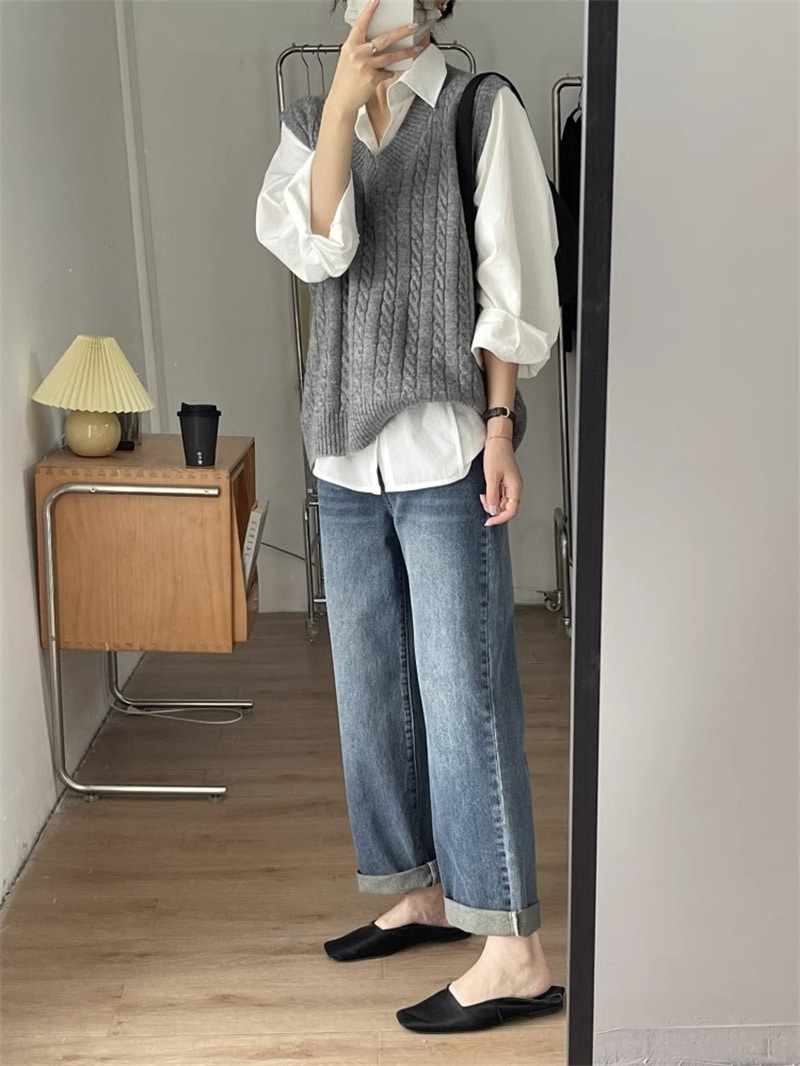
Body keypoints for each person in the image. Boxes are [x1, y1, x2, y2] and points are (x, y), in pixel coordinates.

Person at [255, 0, 564, 1035]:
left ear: (433, 4)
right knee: (373, 690)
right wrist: (340, 114)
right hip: (345, 454)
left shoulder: (480, 109)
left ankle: (513, 951)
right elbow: (317, 253)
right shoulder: (308, 123)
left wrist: (500, 429)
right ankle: (424, 890)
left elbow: (514, 288)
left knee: (463, 693)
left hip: (444, 445)